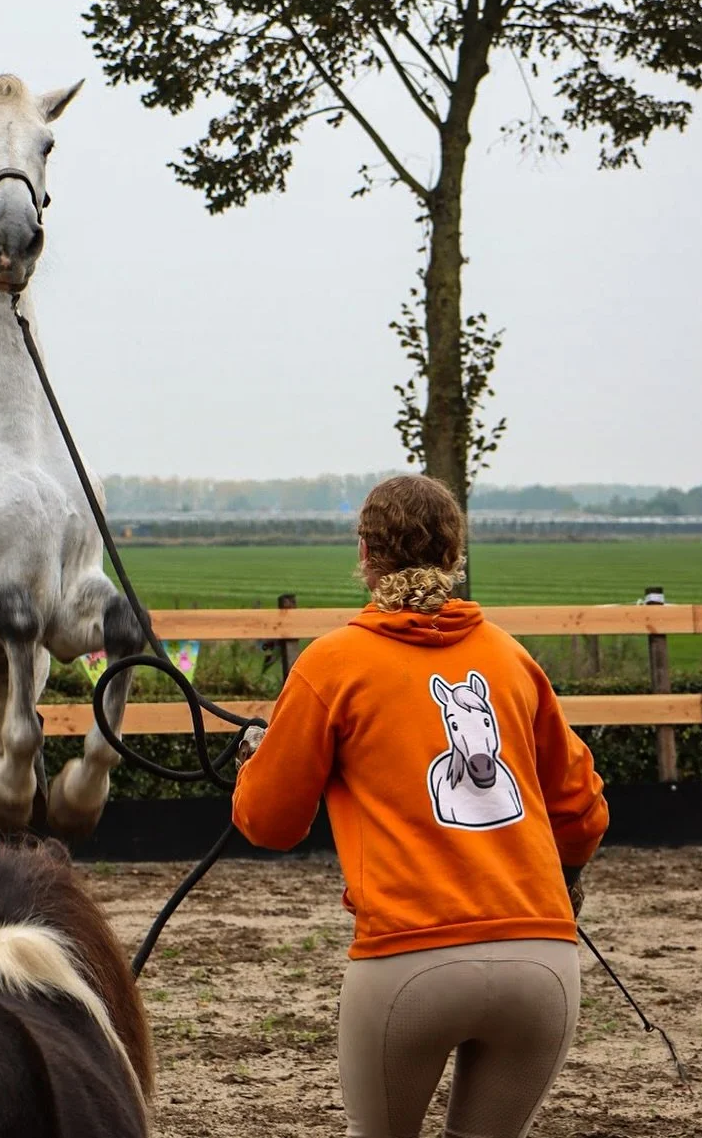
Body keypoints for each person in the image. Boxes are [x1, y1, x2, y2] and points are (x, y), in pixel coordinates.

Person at [232, 474, 608, 1138]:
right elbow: (581, 811)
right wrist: (564, 878)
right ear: (453, 554)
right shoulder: (511, 658)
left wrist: (255, 765)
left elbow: (269, 822)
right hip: (541, 963)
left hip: (409, 960)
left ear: (365, 552)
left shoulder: (333, 663)